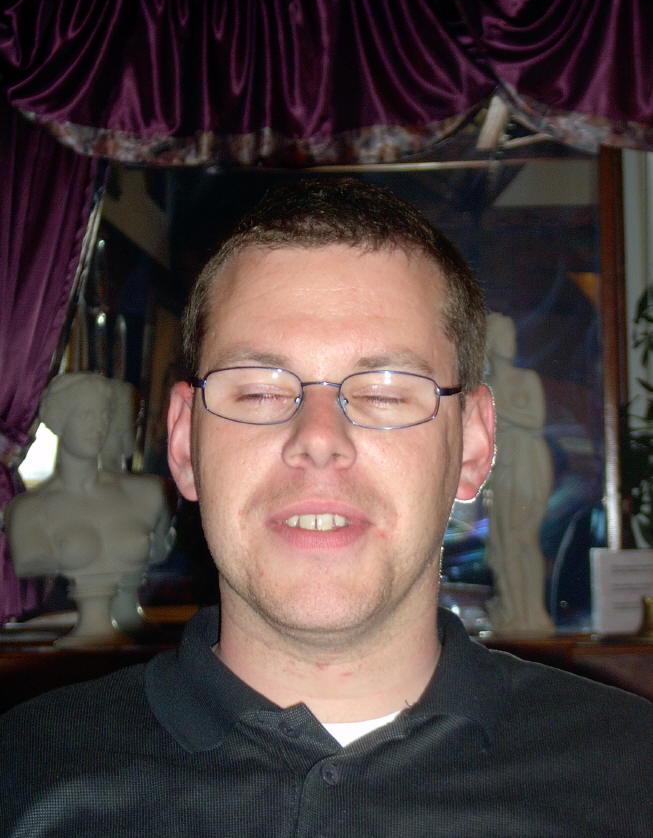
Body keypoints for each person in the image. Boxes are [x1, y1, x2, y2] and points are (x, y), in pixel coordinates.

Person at [1, 179, 651, 837]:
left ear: (473, 446)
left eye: (386, 391)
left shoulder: (630, 776)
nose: (317, 438)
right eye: (257, 391)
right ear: (183, 443)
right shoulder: (22, 778)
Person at [4, 372, 168, 648]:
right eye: (86, 415)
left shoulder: (146, 493)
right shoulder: (28, 511)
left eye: (104, 415)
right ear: (60, 421)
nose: (98, 426)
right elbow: (29, 559)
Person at [485, 312, 555, 634]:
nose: (511, 342)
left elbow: (535, 420)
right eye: (504, 336)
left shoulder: (526, 379)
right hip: (501, 464)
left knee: (525, 536)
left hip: (527, 461)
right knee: (504, 543)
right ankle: (514, 610)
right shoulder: (486, 387)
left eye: (512, 335)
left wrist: (497, 408)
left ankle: (533, 611)